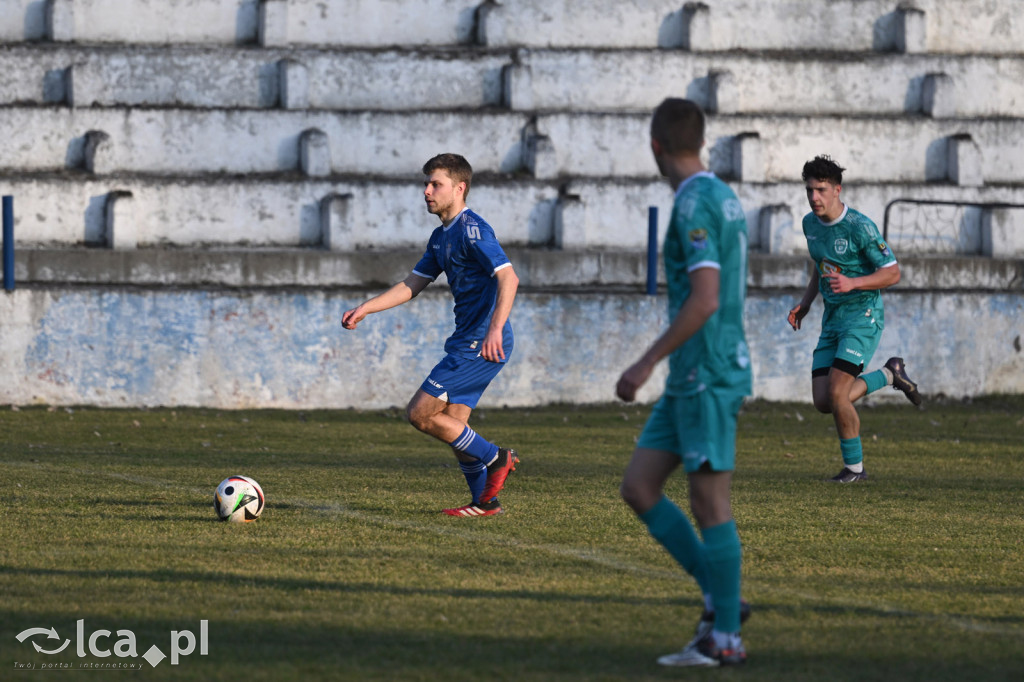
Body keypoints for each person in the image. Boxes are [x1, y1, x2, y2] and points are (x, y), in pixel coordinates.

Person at [616, 98, 752, 667]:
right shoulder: (721, 194)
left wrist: (645, 362)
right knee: (640, 487)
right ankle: (723, 600)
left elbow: (706, 299)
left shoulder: (695, 203)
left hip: (708, 372)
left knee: (709, 501)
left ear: (656, 146)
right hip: (690, 378)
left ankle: (724, 640)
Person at [341, 153, 520, 517]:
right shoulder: (441, 237)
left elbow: (508, 277)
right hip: (467, 338)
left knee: (420, 413)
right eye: (426, 183)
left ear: (459, 188)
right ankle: (485, 502)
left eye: (435, 184)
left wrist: (495, 330)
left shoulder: (473, 230)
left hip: (480, 341)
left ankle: (497, 457)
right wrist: (366, 308)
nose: (426, 191)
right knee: (454, 426)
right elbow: (411, 284)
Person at [788, 155, 922, 483]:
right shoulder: (810, 224)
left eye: (820, 190)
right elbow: (821, 267)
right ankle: (890, 375)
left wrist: (854, 283)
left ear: (837, 190)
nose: (814, 197)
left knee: (837, 394)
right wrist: (805, 304)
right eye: (809, 190)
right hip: (831, 320)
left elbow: (892, 273)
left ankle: (855, 470)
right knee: (824, 401)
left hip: (863, 318)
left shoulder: (860, 227)